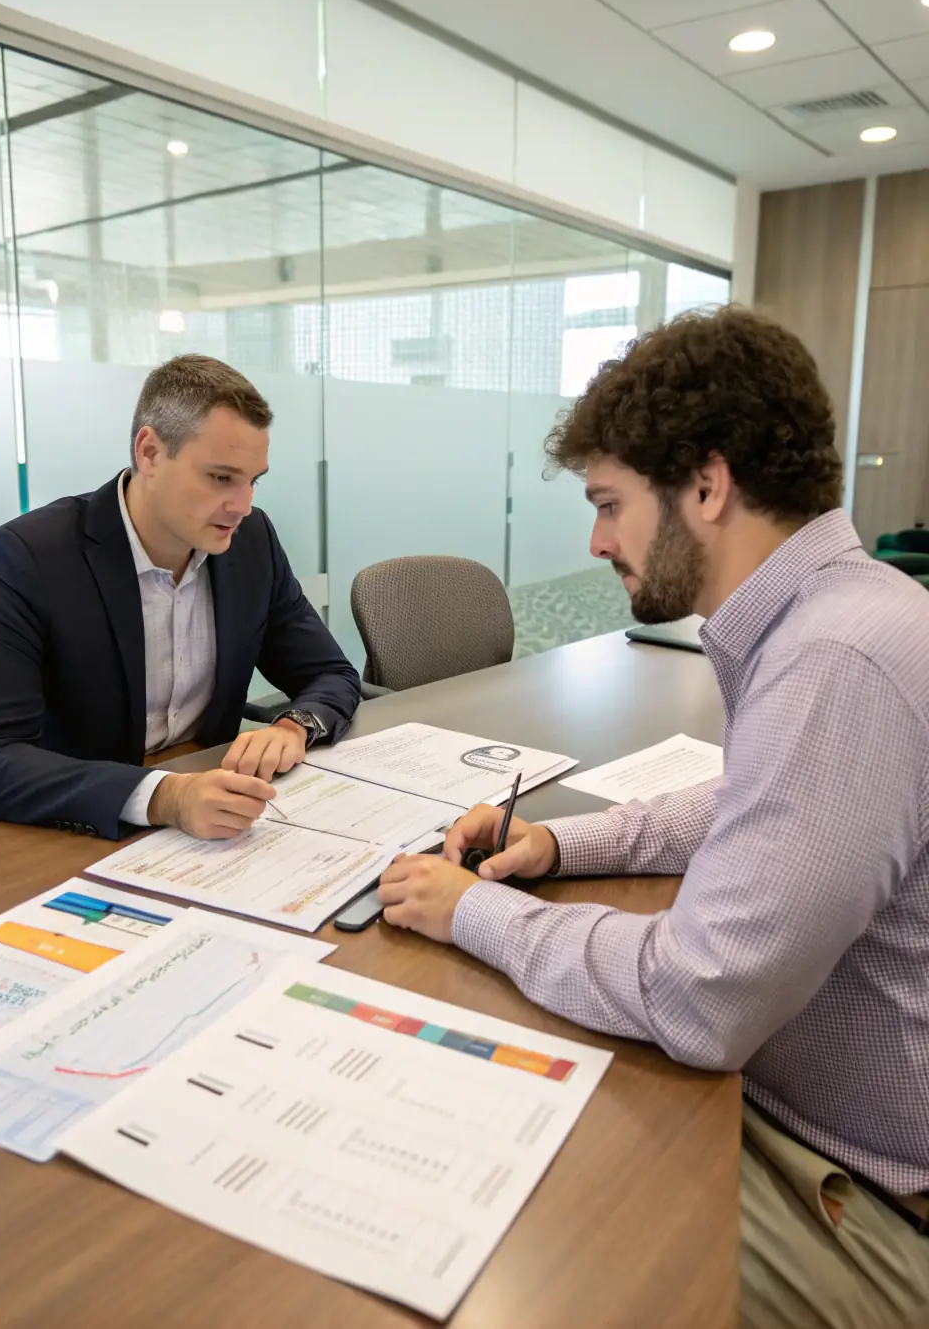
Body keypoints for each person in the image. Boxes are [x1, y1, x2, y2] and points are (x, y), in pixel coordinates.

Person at [377, 308, 929, 1329]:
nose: (594, 540)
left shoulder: (833, 662)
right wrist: (556, 845)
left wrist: (472, 915)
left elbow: (701, 1002)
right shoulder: (858, 613)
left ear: (707, 487)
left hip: (877, 1195)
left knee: (558, 1243)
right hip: (828, 1114)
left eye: (608, 503)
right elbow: (751, 798)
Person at [0, 354, 360, 841]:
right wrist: (164, 796)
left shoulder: (251, 543)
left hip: (217, 823)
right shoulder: (31, 558)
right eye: (221, 478)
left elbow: (329, 673)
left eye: (253, 480)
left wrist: (292, 727)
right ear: (149, 453)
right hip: (77, 832)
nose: (243, 506)